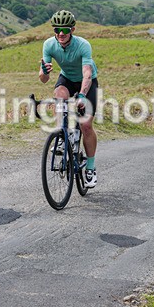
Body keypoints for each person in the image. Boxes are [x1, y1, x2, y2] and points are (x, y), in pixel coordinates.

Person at [39, 10, 99, 188]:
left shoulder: (83, 45)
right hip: (66, 78)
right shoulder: (49, 44)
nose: (61, 33)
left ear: (72, 29)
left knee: (86, 125)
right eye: (57, 29)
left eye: (65, 29)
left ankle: (90, 168)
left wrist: (81, 95)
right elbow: (43, 79)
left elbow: (87, 73)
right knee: (59, 96)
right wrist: (44, 71)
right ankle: (62, 134)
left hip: (86, 81)